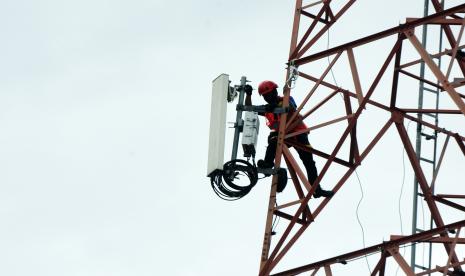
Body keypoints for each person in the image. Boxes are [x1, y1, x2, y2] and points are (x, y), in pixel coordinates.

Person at [244, 80, 334, 198]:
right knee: (272, 139)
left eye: (269, 94)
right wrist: (249, 94)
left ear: (275, 92)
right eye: (265, 96)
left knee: (309, 162)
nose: (267, 98)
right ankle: (268, 163)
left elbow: (291, 107)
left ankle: (316, 189)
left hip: (298, 134)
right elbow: (249, 108)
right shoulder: (267, 109)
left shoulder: (286, 100)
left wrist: (276, 105)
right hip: (283, 136)